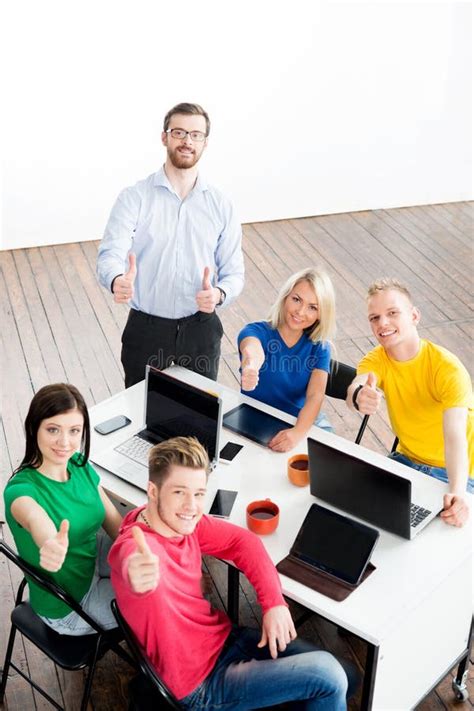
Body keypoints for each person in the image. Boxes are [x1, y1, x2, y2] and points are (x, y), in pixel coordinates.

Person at [108, 436, 357, 709]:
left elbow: (244, 542)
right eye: (179, 492)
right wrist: (137, 574)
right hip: (201, 684)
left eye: (199, 493)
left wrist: (273, 603)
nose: (192, 506)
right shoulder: (137, 550)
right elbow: (130, 564)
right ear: (153, 492)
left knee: (348, 675)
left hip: (224, 640)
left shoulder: (181, 522)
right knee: (328, 677)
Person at [96, 102, 245, 388]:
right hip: (146, 329)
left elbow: (234, 272)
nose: (187, 141)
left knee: (199, 417)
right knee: (141, 412)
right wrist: (116, 280)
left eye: (195, 135)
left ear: (205, 143)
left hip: (201, 329)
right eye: (179, 132)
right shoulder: (134, 197)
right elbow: (110, 253)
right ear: (164, 137)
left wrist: (219, 293)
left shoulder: (221, 205)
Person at [346, 278, 473, 527]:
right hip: (406, 462)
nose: (382, 323)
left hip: (459, 473)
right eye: (374, 318)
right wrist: (358, 396)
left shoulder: (446, 369)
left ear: (414, 316)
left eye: (392, 313)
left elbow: (455, 436)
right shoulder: (376, 359)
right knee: (357, 511)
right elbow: (356, 386)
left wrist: (457, 492)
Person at [3, 384, 123, 634]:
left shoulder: (78, 463)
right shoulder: (20, 492)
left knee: (162, 572)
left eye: (74, 430)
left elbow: (115, 522)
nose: (65, 442)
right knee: (158, 601)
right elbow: (36, 519)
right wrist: (49, 543)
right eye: (53, 429)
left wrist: (160, 562)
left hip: (88, 555)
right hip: (70, 606)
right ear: (34, 428)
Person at [237, 267, 336, 452]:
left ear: (321, 314)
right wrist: (251, 365)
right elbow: (252, 351)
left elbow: (315, 396)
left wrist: (297, 433)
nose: (300, 311)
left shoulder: (320, 347)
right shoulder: (255, 331)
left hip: (300, 423)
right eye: (296, 299)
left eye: (312, 307)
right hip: (256, 419)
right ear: (285, 297)